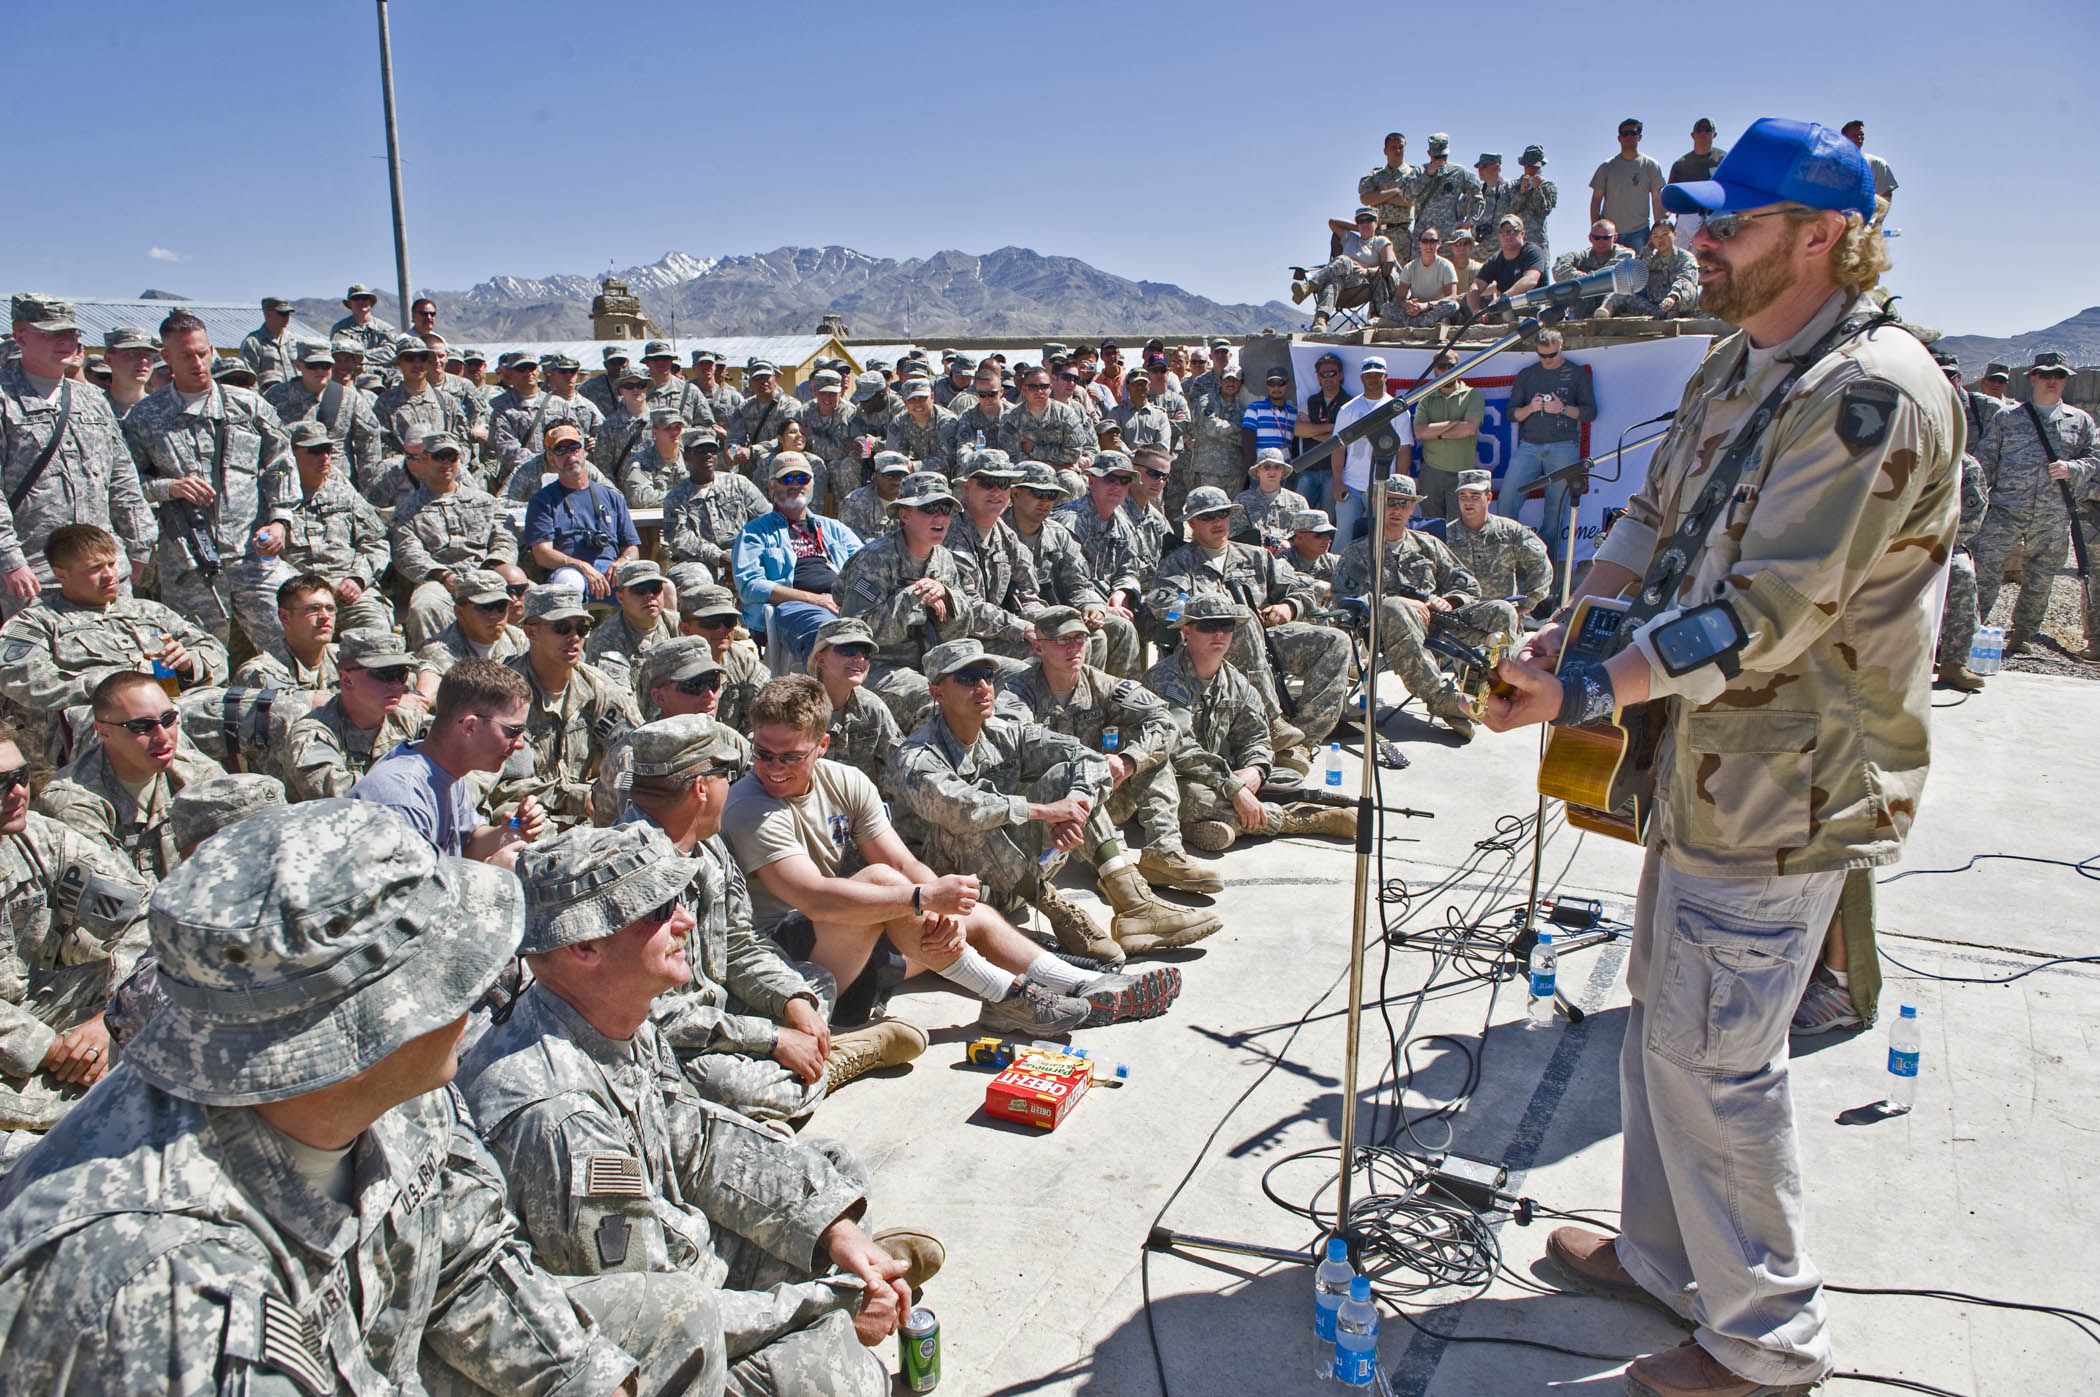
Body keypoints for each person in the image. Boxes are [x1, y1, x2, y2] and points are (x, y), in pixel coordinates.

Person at [1484, 117, 1958, 1397]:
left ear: (1823, 239)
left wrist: (1585, 683)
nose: (1698, 243)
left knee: (1721, 1056)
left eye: (1731, 225)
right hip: (1705, 759)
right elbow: (1655, 510)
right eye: (1700, 220)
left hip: (1790, 775)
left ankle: (1767, 1344)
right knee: (1667, 1018)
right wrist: (1578, 616)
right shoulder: (1743, 362)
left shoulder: (1870, 394)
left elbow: (1769, 610)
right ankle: (1667, 1258)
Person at [1, 799, 681, 1394]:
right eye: (453, 971)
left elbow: (469, 1258)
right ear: (360, 1033)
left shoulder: (405, 1087)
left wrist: (589, 1380)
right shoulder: (156, 1292)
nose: (482, 990)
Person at [457, 822, 930, 1397]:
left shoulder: (610, 1012)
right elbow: (656, 1318)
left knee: (832, 1174)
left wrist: (832, 1229)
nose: (684, 920)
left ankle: (849, 1270)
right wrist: (821, 1301)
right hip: (650, 1327)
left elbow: (700, 1140)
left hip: (677, 1238)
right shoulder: (557, 1117)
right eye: (658, 910)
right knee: (842, 1379)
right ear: (585, 947)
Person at [723, 675, 1143, 1032]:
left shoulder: (846, 782)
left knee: (965, 908)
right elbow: (813, 896)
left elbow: (902, 861)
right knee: (893, 888)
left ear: (822, 746)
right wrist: (923, 900)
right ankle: (1011, 995)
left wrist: (943, 910)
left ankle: (1076, 982)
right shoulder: (749, 806)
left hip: (847, 947)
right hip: (784, 964)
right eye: (763, 753)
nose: (774, 767)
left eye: (791, 756)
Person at [617, 716, 927, 1119]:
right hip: (662, 1037)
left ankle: (803, 1064)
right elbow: (655, 1017)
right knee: (721, 1087)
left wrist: (792, 1002)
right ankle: (825, 1066)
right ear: (701, 788)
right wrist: (772, 1037)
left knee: (813, 983)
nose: (737, 784)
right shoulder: (629, 871)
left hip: (723, 1012)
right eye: (728, 774)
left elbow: (741, 943)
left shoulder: (706, 846)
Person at [893, 638, 1220, 962]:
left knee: (1071, 778)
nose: (982, 687)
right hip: (950, 896)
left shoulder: (1005, 733)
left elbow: (1086, 757)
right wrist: (1043, 812)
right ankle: (1060, 912)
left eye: (987, 677)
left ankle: (1135, 906)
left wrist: (1074, 805)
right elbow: (959, 808)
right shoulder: (919, 754)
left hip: (1015, 882)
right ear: (937, 692)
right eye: (966, 679)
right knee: (973, 817)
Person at [0, 717, 150, 1171]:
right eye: (0, 783)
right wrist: (53, 1049)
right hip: (27, 1043)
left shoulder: (40, 838)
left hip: (63, 1022)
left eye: (21, 776)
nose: (17, 792)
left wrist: (107, 1020)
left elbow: (144, 916)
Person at [999, 606, 1219, 893]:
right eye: (1062, 641)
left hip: (1097, 798)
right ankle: (1114, 870)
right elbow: (1016, 738)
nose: (1074, 648)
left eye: (1080, 639)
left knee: (1150, 756)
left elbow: (1164, 720)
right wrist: (1089, 763)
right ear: (1039, 647)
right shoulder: (1018, 689)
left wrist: (1129, 760)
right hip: (1046, 808)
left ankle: (1163, 854)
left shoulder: (1101, 684)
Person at [122, 310, 295, 643]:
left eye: (202, 353)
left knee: (286, 644)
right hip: (188, 561)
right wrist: (169, 487)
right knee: (198, 657)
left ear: (212, 350)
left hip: (252, 554)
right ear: (166, 357)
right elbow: (126, 484)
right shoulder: (145, 416)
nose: (197, 362)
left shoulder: (249, 407)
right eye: (186, 355)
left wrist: (280, 521)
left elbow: (281, 465)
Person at [0, 523, 227, 769]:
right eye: (95, 568)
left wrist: (188, 663)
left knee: (266, 712)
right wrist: (116, 687)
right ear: (61, 574)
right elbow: (19, 677)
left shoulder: (149, 610)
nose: (109, 574)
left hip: (182, 703)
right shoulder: (35, 621)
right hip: (114, 722)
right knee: (155, 735)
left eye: (111, 564)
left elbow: (214, 651)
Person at [1141, 594, 1355, 854]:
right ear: (1187, 630)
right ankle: (1302, 819)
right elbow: (1180, 749)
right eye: (1208, 627)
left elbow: (1257, 737)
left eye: (1227, 626)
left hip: (1224, 775)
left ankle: (1210, 824)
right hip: (1175, 775)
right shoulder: (1165, 680)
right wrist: (1234, 789)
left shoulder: (1236, 682)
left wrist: (1256, 770)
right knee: (1197, 798)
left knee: (1290, 778)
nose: (1219, 634)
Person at [1150, 486, 1351, 751]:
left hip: (1266, 639)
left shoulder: (1256, 556)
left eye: (1222, 514)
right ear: (1192, 523)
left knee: (1335, 641)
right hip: (1205, 647)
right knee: (1239, 616)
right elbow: (1162, 603)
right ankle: (1272, 720)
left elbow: (1300, 589)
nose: (1217, 522)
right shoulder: (1178, 562)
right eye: (1208, 517)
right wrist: (1209, 613)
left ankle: (1302, 742)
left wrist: (1288, 607)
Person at [1333, 476, 1518, 742]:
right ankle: (1445, 700)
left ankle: (1494, 690)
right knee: (1396, 607)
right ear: (1376, 503)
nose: (1396, 510)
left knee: (1502, 610)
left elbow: (1466, 584)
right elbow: (1343, 597)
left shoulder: (1427, 544)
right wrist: (1389, 601)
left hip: (1438, 619)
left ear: (1413, 508)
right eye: (1390, 502)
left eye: (1404, 504)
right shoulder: (1359, 552)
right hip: (1388, 628)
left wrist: (1451, 600)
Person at [835, 470, 1022, 730]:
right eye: (928, 509)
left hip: (938, 661)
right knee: (936, 700)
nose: (940, 518)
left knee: (1019, 675)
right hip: (885, 666)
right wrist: (913, 599)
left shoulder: (944, 559)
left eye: (945, 509)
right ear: (905, 514)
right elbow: (853, 635)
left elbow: (959, 630)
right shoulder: (874, 560)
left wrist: (946, 596)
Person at [2, 294, 155, 611]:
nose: (64, 342)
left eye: (70, 333)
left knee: (118, 652)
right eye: (50, 333)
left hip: (105, 568)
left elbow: (121, 476)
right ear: (20, 335)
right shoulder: (5, 399)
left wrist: (139, 544)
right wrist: (9, 559)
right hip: (36, 572)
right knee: (35, 659)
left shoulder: (92, 398)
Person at [35, 669, 225, 881]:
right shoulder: (74, 802)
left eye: (168, 719)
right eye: (141, 726)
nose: (163, 736)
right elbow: (112, 894)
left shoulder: (200, 773)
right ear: (103, 732)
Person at [353, 656, 543, 865]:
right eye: (512, 731)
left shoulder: (446, 772)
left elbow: (468, 843)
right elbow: (414, 894)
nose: (519, 744)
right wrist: (494, 872)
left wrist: (508, 832)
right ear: (470, 726)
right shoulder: (403, 798)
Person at [1970, 350, 2097, 657]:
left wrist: (2073, 469)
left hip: (2053, 514)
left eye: (2060, 376)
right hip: (2006, 510)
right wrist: (1975, 509)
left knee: (2041, 576)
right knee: (1985, 570)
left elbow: (2095, 458)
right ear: (2033, 378)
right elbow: (1985, 464)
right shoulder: (2007, 418)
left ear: (2066, 381)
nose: (2053, 381)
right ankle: (1970, 631)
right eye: (2046, 375)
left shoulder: (2079, 421)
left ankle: (2023, 635)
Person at [235, 419, 393, 655]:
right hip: (298, 596)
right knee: (286, 644)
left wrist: (358, 579)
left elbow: (375, 542)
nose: (325, 458)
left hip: (347, 590)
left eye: (328, 450)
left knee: (376, 637)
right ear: (291, 455)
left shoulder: (343, 492)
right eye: (315, 451)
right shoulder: (269, 498)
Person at [492, 586, 639, 827]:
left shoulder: (597, 687)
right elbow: (502, 788)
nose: (574, 637)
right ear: (531, 631)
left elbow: (633, 749)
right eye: (561, 628)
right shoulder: (502, 693)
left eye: (582, 629)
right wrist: (574, 796)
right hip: (530, 816)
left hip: (588, 818)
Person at [732, 452, 864, 668]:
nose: (795, 485)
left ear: (812, 484)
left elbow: (866, 567)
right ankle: (827, 695)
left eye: (802, 479)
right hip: (794, 607)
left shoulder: (834, 528)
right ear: (772, 486)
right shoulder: (755, 532)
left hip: (841, 601)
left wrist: (865, 600)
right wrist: (815, 599)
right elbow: (750, 585)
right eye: (786, 479)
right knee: (831, 635)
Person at [389, 429, 518, 648]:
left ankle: (521, 661)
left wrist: (494, 565)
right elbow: (407, 553)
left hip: (485, 573)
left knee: (532, 595)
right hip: (440, 580)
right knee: (425, 605)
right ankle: (436, 665)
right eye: (439, 456)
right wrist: (443, 576)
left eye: (452, 457)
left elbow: (505, 537)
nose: (446, 463)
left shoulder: (484, 501)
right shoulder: (408, 509)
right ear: (424, 459)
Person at [280, 628, 429, 801]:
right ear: (346, 679)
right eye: (385, 674)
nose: (396, 685)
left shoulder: (409, 720)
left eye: (401, 674)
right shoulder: (312, 735)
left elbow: (456, 756)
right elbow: (348, 798)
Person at [1498, 327, 1597, 574]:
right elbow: (1511, 413)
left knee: (1555, 509)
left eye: (1551, 355)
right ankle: (1508, 562)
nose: (1547, 360)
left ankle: (1546, 570)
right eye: (1542, 355)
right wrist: (1531, 408)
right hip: (1529, 445)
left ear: (1561, 348)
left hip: (1564, 445)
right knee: (1508, 499)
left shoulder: (1576, 374)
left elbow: (1590, 412)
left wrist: (1562, 409)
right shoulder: (1527, 375)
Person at [1931, 352, 1992, 691]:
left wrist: (1937, 542)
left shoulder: (1964, 465)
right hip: (1892, 544)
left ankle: (1954, 662)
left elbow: (1973, 517)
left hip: (1943, 545)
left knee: (1963, 575)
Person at [523, 422, 640, 598]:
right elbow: (542, 554)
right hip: (571, 571)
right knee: (568, 583)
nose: (569, 455)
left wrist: (624, 561)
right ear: (551, 458)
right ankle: (570, 626)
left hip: (612, 573)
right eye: (560, 450)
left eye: (574, 447)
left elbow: (632, 547)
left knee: (662, 587)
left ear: (584, 450)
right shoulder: (542, 501)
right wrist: (581, 566)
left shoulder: (612, 497)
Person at [805, 616, 901, 791]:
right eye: (848, 650)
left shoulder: (872, 708)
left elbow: (899, 763)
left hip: (858, 806)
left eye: (865, 653)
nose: (859, 659)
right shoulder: (797, 707)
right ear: (820, 659)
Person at [1442, 469, 1555, 615]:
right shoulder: (1445, 535)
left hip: (1502, 620)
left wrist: (1528, 604)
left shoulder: (1510, 531)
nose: (1468, 502)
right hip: (1460, 620)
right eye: (1463, 496)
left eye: (1475, 496)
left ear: (1488, 497)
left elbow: (1540, 564)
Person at [664, 427, 770, 576]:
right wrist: (719, 557)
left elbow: (767, 519)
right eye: (701, 450)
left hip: (745, 554)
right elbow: (680, 539)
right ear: (687, 455)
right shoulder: (675, 497)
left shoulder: (739, 483)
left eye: (712, 450)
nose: (708, 455)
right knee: (693, 578)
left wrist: (748, 551)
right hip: (701, 562)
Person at [1331, 356, 1412, 549]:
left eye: (1378, 375)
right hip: (1351, 485)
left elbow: (1404, 449)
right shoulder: (1348, 409)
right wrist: (1337, 482)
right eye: (1369, 375)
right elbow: (1338, 447)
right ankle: (1336, 575)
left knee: (1384, 535)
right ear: (1361, 378)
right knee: (1344, 534)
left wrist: (1397, 488)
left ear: (1386, 377)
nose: (1373, 379)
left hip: (1383, 486)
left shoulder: (1398, 410)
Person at [413, 568, 528, 695]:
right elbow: (428, 691)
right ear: (459, 612)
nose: (494, 615)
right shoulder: (439, 651)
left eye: (501, 606)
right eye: (485, 608)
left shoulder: (517, 638)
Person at [233, 569, 341, 695]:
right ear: (284, 617)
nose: (325, 616)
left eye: (330, 608)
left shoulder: (348, 660)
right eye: (313, 609)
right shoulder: (259, 674)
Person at [1293, 209, 1396, 334]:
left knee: (1343, 259)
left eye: (1369, 220)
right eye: (1360, 221)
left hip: (1362, 284)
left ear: (1376, 222)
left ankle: (1309, 286)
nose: (1365, 223)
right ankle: (1320, 321)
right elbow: (1332, 222)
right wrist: (1359, 228)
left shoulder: (1381, 241)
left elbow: (1388, 267)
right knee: (1334, 279)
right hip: (1341, 285)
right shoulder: (1350, 238)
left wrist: (1367, 270)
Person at [581, 559, 678, 689]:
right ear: (621, 597)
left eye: (655, 589)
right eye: (640, 590)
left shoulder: (678, 624)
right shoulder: (605, 639)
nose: (650, 596)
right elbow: (615, 697)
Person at [1413, 347, 1485, 520]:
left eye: (1450, 365)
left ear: (1459, 366)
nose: (1446, 370)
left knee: (1459, 526)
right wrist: (1453, 424)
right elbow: (1419, 432)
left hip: (1462, 473)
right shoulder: (1426, 397)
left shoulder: (1472, 395)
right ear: (1434, 369)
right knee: (1431, 524)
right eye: (1441, 366)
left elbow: (1469, 428)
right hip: (1431, 473)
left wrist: (1436, 432)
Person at [1598, 218, 1701, 320]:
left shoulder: (1685, 257)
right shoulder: (1650, 257)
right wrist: (1646, 250)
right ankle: (1604, 312)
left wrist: (1673, 296)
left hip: (1681, 306)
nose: (1660, 240)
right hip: (1657, 308)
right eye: (1655, 236)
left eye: (1665, 234)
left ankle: (1673, 314)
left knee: (1687, 286)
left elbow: (1685, 280)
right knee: (1620, 291)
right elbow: (1634, 274)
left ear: (1674, 235)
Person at [1590, 117, 1667, 251]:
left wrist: (1657, 233)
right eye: (1625, 134)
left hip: (1639, 233)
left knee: (1640, 271)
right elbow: (1596, 200)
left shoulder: (1650, 165)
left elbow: (1656, 200)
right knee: (1608, 271)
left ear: (1639, 137)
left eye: (1633, 133)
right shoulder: (1607, 166)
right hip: (1610, 235)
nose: (1629, 137)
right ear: (1619, 138)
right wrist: (1597, 233)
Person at [1293, 352, 1349, 514]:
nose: (1328, 378)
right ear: (1318, 377)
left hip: (1334, 473)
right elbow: (1299, 429)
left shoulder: (1349, 403)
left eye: (1332, 373)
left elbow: (1348, 438)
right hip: (1308, 469)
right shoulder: (1310, 401)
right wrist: (1334, 427)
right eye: (1323, 374)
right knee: (1299, 516)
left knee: (1328, 519)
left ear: (1341, 374)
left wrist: (1311, 432)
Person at [1464, 215, 1548, 319]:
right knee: (1464, 303)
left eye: (1512, 231)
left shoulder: (1532, 252)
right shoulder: (1495, 260)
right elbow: (1476, 286)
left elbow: (1530, 280)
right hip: (1505, 308)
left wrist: (1504, 297)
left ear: (1522, 233)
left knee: (1506, 310)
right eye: (1503, 232)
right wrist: (1476, 311)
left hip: (1533, 305)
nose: (1507, 235)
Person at [726, 361, 802, 476]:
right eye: (757, 379)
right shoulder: (744, 408)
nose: (763, 382)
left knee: (765, 460)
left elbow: (788, 439)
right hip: (751, 456)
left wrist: (753, 451)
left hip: (783, 454)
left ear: (775, 379)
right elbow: (734, 438)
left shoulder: (789, 405)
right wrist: (732, 452)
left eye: (767, 377)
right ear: (750, 384)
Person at [1551, 220, 1639, 317]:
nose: (1601, 242)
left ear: (1615, 237)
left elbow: (1611, 275)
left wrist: (1585, 280)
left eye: (1606, 238)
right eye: (1596, 238)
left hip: (1618, 308)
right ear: (1590, 238)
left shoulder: (1625, 254)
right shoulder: (1582, 256)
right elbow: (1559, 270)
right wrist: (1581, 277)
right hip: (1585, 309)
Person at [1233, 446, 1312, 553]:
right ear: (1257, 471)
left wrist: (1290, 542)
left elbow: (1307, 532)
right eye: (1266, 467)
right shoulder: (1242, 500)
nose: (1272, 471)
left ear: (1283, 471)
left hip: (1290, 558)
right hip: (1254, 557)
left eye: (1277, 467)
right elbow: (1236, 534)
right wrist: (1260, 545)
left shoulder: (1298, 501)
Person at [1408, 132, 1480, 244]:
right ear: (1429, 153)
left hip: (1449, 239)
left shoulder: (1459, 173)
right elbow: (1407, 195)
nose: (1440, 160)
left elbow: (1478, 196)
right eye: (1437, 157)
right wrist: (1427, 175)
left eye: (1443, 156)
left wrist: (1469, 221)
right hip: (1423, 238)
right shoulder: (1419, 172)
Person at [1380, 229, 1461, 327]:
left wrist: (1427, 305)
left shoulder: (1446, 266)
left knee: (1453, 306)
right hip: (1414, 310)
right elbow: (1400, 298)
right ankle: (1426, 323)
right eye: (1425, 241)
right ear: (1419, 243)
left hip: (1434, 309)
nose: (1428, 245)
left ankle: (1410, 324)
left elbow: (1452, 296)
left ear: (1439, 243)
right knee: (1386, 308)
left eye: (1432, 241)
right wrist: (1407, 305)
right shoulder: (1410, 267)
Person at [884, 378, 954, 476]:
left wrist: (914, 466)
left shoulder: (947, 421)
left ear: (932, 397)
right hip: (915, 477)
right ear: (904, 402)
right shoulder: (899, 422)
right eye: (912, 399)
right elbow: (895, 456)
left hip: (948, 477)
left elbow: (950, 460)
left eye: (922, 398)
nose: (917, 404)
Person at [1358, 132, 1419, 243]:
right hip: (1378, 235)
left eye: (1401, 147)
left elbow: (1410, 200)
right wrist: (1395, 191)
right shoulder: (1375, 174)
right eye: (1393, 147)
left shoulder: (1414, 174)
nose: (1397, 151)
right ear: (1385, 151)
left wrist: (1379, 195)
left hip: (1404, 235)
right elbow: (1365, 198)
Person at [839, 447, 911, 540]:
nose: (897, 480)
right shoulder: (854, 503)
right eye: (890, 475)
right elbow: (852, 544)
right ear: (875, 477)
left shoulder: (912, 502)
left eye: (902, 475)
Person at [1840, 119, 1897, 226]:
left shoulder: (1876, 164)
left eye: (1861, 135)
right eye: (1855, 135)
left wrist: (1877, 224)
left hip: (1864, 227)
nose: (1859, 138)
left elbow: (1885, 196)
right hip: (1837, 224)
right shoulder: (1833, 164)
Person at [237, 296, 299, 389]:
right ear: (267, 314)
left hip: (297, 398)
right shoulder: (253, 342)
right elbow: (249, 379)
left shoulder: (295, 340)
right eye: (282, 313)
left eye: (288, 313)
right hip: (268, 400)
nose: (287, 317)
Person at [327, 282, 395, 364]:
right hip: (351, 373)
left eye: (365, 298)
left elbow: (391, 353)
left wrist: (357, 355)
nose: (361, 301)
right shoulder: (340, 329)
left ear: (370, 302)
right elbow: (339, 355)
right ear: (349, 303)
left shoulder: (385, 328)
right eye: (356, 298)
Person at [1513, 144, 1559, 264]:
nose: (1531, 169)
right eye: (1528, 166)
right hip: (1515, 241)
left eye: (1534, 166)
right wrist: (1522, 192)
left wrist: (1537, 190)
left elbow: (1544, 210)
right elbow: (1511, 210)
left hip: (1537, 241)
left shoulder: (1548, 186)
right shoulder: (1514, 185)